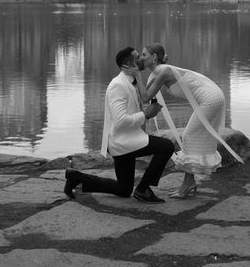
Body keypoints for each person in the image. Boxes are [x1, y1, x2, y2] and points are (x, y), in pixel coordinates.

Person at [126, 43, 243, 198]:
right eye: (141, 55)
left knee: (188, 136)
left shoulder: (163, 72)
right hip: (211, 98)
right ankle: (189, 183)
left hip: (210, 99)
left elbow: (146, 96)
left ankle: (187, 185)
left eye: (144, 54)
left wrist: (137, 75)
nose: (141, 57)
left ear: (154, 57)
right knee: (191, 137)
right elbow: (144, 95)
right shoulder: (158, 71)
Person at [64, 46, 175, 203]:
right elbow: (121, 121)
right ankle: (144, 189)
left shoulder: (133, 81)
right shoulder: (118, 85)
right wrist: (146, 114)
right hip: (122, 141)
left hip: (128, 139)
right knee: (167, 146)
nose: (142, 59)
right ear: (129, 64)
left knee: (124, 190)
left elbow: (146, 93)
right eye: (138, 58)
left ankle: (76, 178)